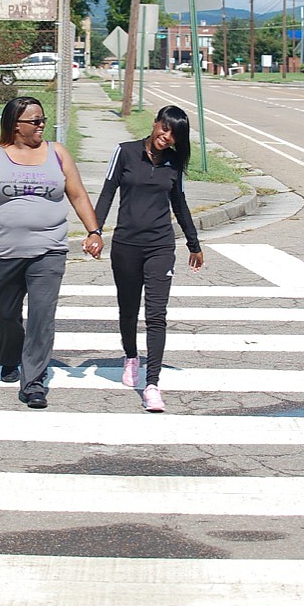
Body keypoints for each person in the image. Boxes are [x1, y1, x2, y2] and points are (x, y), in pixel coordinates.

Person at [0, 96, 103, 409]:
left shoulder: (57, 154)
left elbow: (78, 194)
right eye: (35, 121)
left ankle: (33, 383)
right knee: (5, 315)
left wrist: (93, 231)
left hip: (49, 250)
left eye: (43, 119)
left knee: (42, 316)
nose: (42, 125)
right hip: (4, 251)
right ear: (17, 125)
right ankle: (9, 356)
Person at [94, 105, 204, 413]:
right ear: (155, 124)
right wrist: (95, 230)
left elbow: (179, 204)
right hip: (126, 244)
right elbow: (107, 193)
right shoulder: (125, 152)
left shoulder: (173, 163)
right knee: (128, 309)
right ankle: (131, 356)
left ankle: (152, 384)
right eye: (164, 129)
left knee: (156, 314)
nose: (166, 137)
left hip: (160, 246)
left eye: (174, 135)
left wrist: (193, 244)